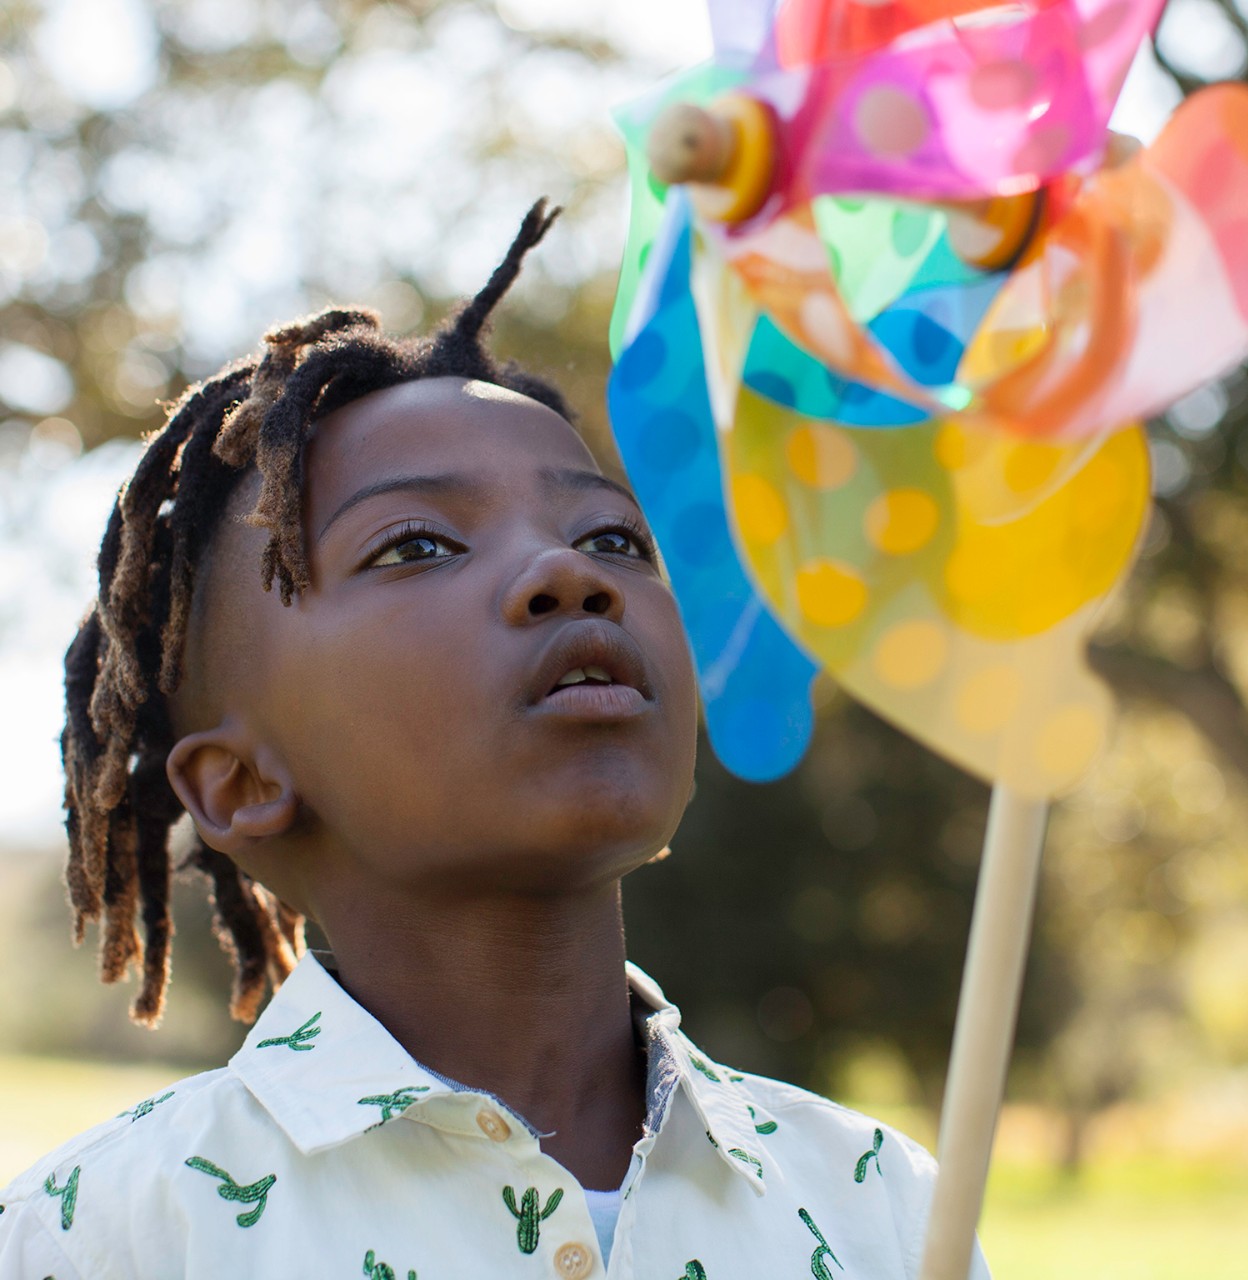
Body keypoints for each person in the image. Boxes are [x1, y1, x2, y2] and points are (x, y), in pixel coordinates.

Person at [0, 203, 989, 1279]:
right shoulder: (97, 1235)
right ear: (237, 781)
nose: (572, 575)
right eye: (416, 543)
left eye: (610, 535)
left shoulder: (887, 1209)